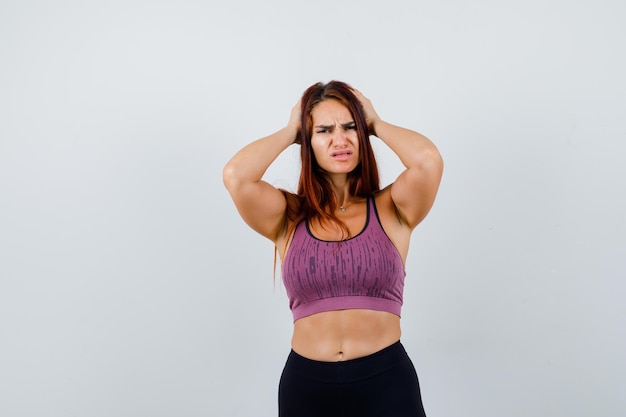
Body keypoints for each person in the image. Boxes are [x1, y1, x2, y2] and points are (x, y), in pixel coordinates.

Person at [223, 80, 443, 417]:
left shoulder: (391, 208)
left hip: (385, 382)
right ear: (307, 141)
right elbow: (236, 176)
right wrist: (289, 130)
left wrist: (376, 123)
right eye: (324, 131)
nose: (339, 140)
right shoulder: (288, 216)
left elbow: (428, 160)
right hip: (307, 387)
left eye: (350, 127)